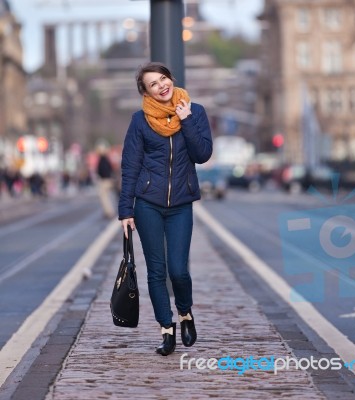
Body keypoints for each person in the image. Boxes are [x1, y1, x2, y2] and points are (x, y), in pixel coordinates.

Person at [118, 62, 213, 356]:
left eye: (163, 79)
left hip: (181, 204)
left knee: (179, 271)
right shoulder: (139, 121)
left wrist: (186, 121)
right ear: (146, 92)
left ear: (170, 79)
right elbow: (130, 166)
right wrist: (126, 210)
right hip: (148, 204)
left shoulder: (194, 111)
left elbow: (203, 154)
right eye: (153, 84)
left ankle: (185, 313)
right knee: (156, 271)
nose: (162, 86)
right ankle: (166, 329)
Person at [96, 144, 115, 218]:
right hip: (108, 179)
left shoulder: (102, 159)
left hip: (105, 180)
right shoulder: (106, 159)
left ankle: (109, 211)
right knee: (107, 196)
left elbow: (102, 170)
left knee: (104, 197)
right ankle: (109, 211)